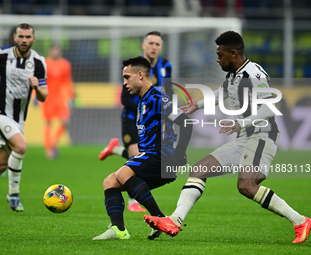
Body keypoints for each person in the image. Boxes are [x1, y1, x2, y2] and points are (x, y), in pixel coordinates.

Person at [143, 31, 311, 244]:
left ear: (233, 53)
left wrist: (242, 122)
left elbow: (271, 107)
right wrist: (197, 105)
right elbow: (222, 94)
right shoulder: (232, 75)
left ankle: (300, 220)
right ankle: (174, 220)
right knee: (199, 170)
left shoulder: (255, 73)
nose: (217, 58)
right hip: (243, 138)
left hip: (262, 136)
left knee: (247, 185)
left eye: (220, 54)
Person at [92, 56, 191, 240]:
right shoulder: (142, 101)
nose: (124, 82)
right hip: (150, 156)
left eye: (127, 77)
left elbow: (185, 122)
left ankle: (161, 219)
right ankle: (118, 229)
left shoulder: (157, 98)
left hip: (162, 157)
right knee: (109, 182)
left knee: (123, 173)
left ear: (140, 75)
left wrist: (180, 153)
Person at [0, 23, 48, 214]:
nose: (24, 40)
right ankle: (13, 194)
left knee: (0, 164)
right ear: (15, 37)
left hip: (18, 120)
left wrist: (37, 87)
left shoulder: (39, 62)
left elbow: (44, 96)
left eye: (28, 37)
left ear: (33, 39)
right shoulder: (1, 55)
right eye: (21, 36)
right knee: (21, 146)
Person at [99, 31, 172, 212]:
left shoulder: (165, 66)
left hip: (151, 115)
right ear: (144, 45)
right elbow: (125, 98)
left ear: (161, 47)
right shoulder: (131, 67)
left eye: (157, 44)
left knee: (138, 160)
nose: (154, 47)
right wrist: (144, 111)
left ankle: (115, 150)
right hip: (133, 119)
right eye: (151, 43)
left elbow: (167, 94)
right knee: (136, 157)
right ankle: (133, 203)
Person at [41, 45, 73, 159]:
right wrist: (36, 95)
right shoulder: (44, 63)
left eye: (57, 50)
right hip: (47, 97)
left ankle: (53, 142)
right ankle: (48, 148)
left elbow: (67, 81)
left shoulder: (65, 64)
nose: (55, 52)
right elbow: (39, 80)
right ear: (50, 51)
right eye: (53, 50)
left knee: (65, 121)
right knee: (48, 122)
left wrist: (70, 95)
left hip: (59, 98)